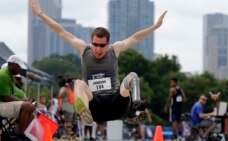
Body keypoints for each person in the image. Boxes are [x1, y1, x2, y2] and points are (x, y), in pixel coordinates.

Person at [29, 0, 167, 124]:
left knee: (132, 76)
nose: (98, 49)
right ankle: (83, 112)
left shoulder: (115, 49)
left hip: (116, 103)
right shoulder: (83, 48)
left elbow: (135, 38)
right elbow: (61, 32)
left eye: (102, 46)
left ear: (108, 44)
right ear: (91, 42)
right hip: (95, 105)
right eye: (95, 44)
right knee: (78, 83)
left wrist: (154, 27)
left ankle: (136, 103)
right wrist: (40, 13)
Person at [0, 55, 35, 138]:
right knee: (26, 106)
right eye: (18, 66)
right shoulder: (3, 75)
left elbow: (11, 96)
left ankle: (20, 133)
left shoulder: (9, 76)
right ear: (11, 64)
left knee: (31, 110)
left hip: (3, 103)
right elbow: (6, 98)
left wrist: (24, 100)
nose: (20, 69)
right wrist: (23, 100)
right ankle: (20, 135)